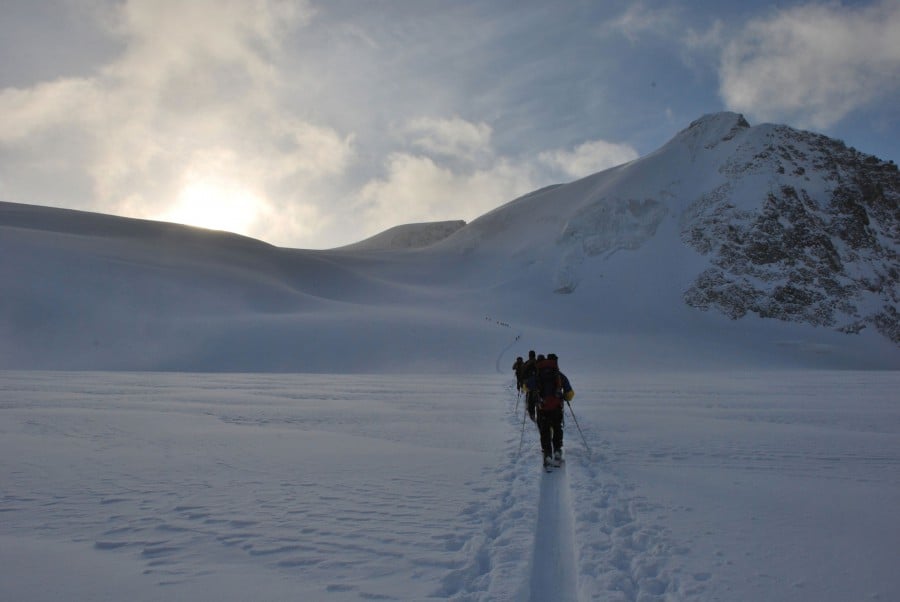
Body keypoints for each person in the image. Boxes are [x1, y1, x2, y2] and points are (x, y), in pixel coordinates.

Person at [526, 353, 574, 468]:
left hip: (542, 408)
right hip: (557, 408)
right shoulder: (559, 375)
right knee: (557, 428)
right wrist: (565, 397)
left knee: (545, 430)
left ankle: (547, 454)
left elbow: (526, 387)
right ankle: (557, 450)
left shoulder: (537, 376)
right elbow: (570, 394)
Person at [521, 350, 539, 422]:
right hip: (538, 386)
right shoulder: (538, 363)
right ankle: (539, 416)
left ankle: (532, 416)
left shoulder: (526, 363)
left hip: (529, 386)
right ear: (535, 355)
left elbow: (523, 375)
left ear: (529, 355)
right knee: (538, 401)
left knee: (530, 402)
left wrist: (523, 384)